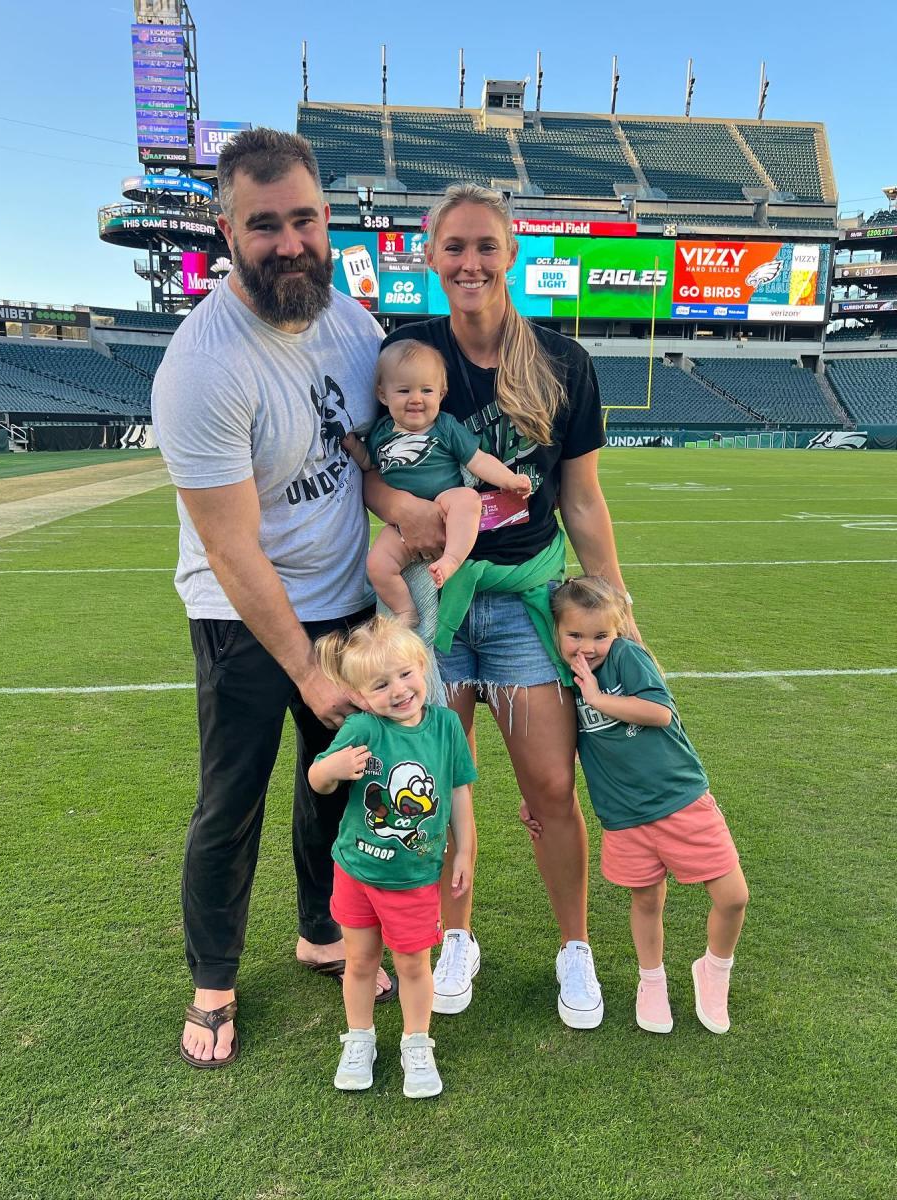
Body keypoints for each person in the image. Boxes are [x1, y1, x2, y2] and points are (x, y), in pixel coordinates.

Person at [363, 183, 638, 1027]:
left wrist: (617, 600)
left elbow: (582, 500)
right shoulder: (406, 352)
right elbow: (367, 465)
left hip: (526, 602)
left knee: (552, 786)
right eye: (455, 248)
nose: (471, 262)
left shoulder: (564, 362)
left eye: (486, 246)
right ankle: (457, 939)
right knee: (434, 780)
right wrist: (401, 509)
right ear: (430, 254)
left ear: (512, 252)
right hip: (433, 599)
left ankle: (575, 951)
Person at [151, 127, 395, 1069]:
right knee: (233, 798)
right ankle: (214, 978)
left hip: (345, 604)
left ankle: (320, 931)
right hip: (242, 615)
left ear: (327, 217)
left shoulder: (351, 321)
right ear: (226, 230)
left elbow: (364, 455)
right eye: (264, 226)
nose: (289, 242)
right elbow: (229, 544)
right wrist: (304, 665)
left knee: (332, 787)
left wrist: (418, 515)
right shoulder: (203, 364)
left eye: (302, 219)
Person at [546, 576, 749, 1034]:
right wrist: (539, 797)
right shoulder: (564, 679)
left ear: (616, 631)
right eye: (575, 635)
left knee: (733, 896)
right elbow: (566, 745)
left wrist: (599, 697)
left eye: (601, 635)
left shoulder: (626, 658)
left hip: (680, 800)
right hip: (624, 817)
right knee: (646, 899)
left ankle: (713, 972)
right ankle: (651, 980)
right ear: (556, 631)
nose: (589, 646)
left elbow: (660, 713)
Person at [308, 616, 476, 1097]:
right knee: (360, 962)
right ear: (360, 695)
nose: (399, 691)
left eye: (405, 674)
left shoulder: (446, 727)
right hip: (357, 871)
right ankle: (359, 1039)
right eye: (380, 685)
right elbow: (318, 779)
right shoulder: (362, 727)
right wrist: (332, 767)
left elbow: (460, 793)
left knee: (413, 966)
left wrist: (464, 848)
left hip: (414, 877)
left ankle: (416, 1044)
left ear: (422, 667)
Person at [342, 338, 531, 624]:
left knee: (467, 499)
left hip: (444, 505)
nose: (416, 398)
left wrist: (509, 479)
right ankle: (406, 611)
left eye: (426, 390)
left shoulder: (444, 426)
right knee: (377, 565)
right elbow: (370, 465)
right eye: (404, 390)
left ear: (441, 394)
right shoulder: (381, 432)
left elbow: (477, 460)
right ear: (383, 395)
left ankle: (451, 559)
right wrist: (354, 447)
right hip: (402, 526)